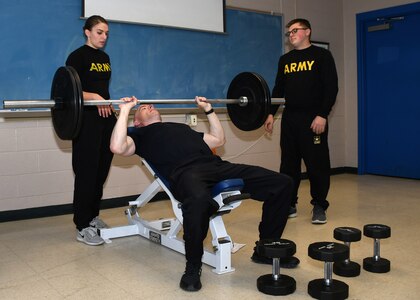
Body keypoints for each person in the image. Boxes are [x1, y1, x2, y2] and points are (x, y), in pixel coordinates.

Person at [110, 96, 299, 292]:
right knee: (198, 201)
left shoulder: (181, 128)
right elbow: (117, 146)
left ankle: (265, 249)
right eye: (142, 107)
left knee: (282, 183)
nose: (149, 105)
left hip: (218, 167)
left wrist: (208, 110)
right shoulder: (139, 137)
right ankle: (193, 266)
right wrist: (124, 110)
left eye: (150, 105)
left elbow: (219, 140)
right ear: (137, 122)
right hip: (186, 175)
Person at [264, 18, 338, 224]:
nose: (291, 35)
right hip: (290, 118)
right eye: (289, 32)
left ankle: (319, 205)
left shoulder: (322, 56)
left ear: (308, 32)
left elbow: (331, 88)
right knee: (288, 164)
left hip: (314, 118)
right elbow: (278, 89)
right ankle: (290, 203)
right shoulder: (285, 60)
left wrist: (323, 114)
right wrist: (270, 113)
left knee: (317, 165)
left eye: (295, 30)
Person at [66, 15, 117, 245]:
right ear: (87, 32)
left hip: (106, 119)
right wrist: (95, 97)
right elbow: (70, 90)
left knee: (101, 171)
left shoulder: (105, 58)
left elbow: (103, 88)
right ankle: (82, 225)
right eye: (99, 32)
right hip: (86, 120)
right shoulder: (76, 57)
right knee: (86, 171)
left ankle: (93, 216)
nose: (103, 37)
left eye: (106, 33)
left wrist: (107, 101)